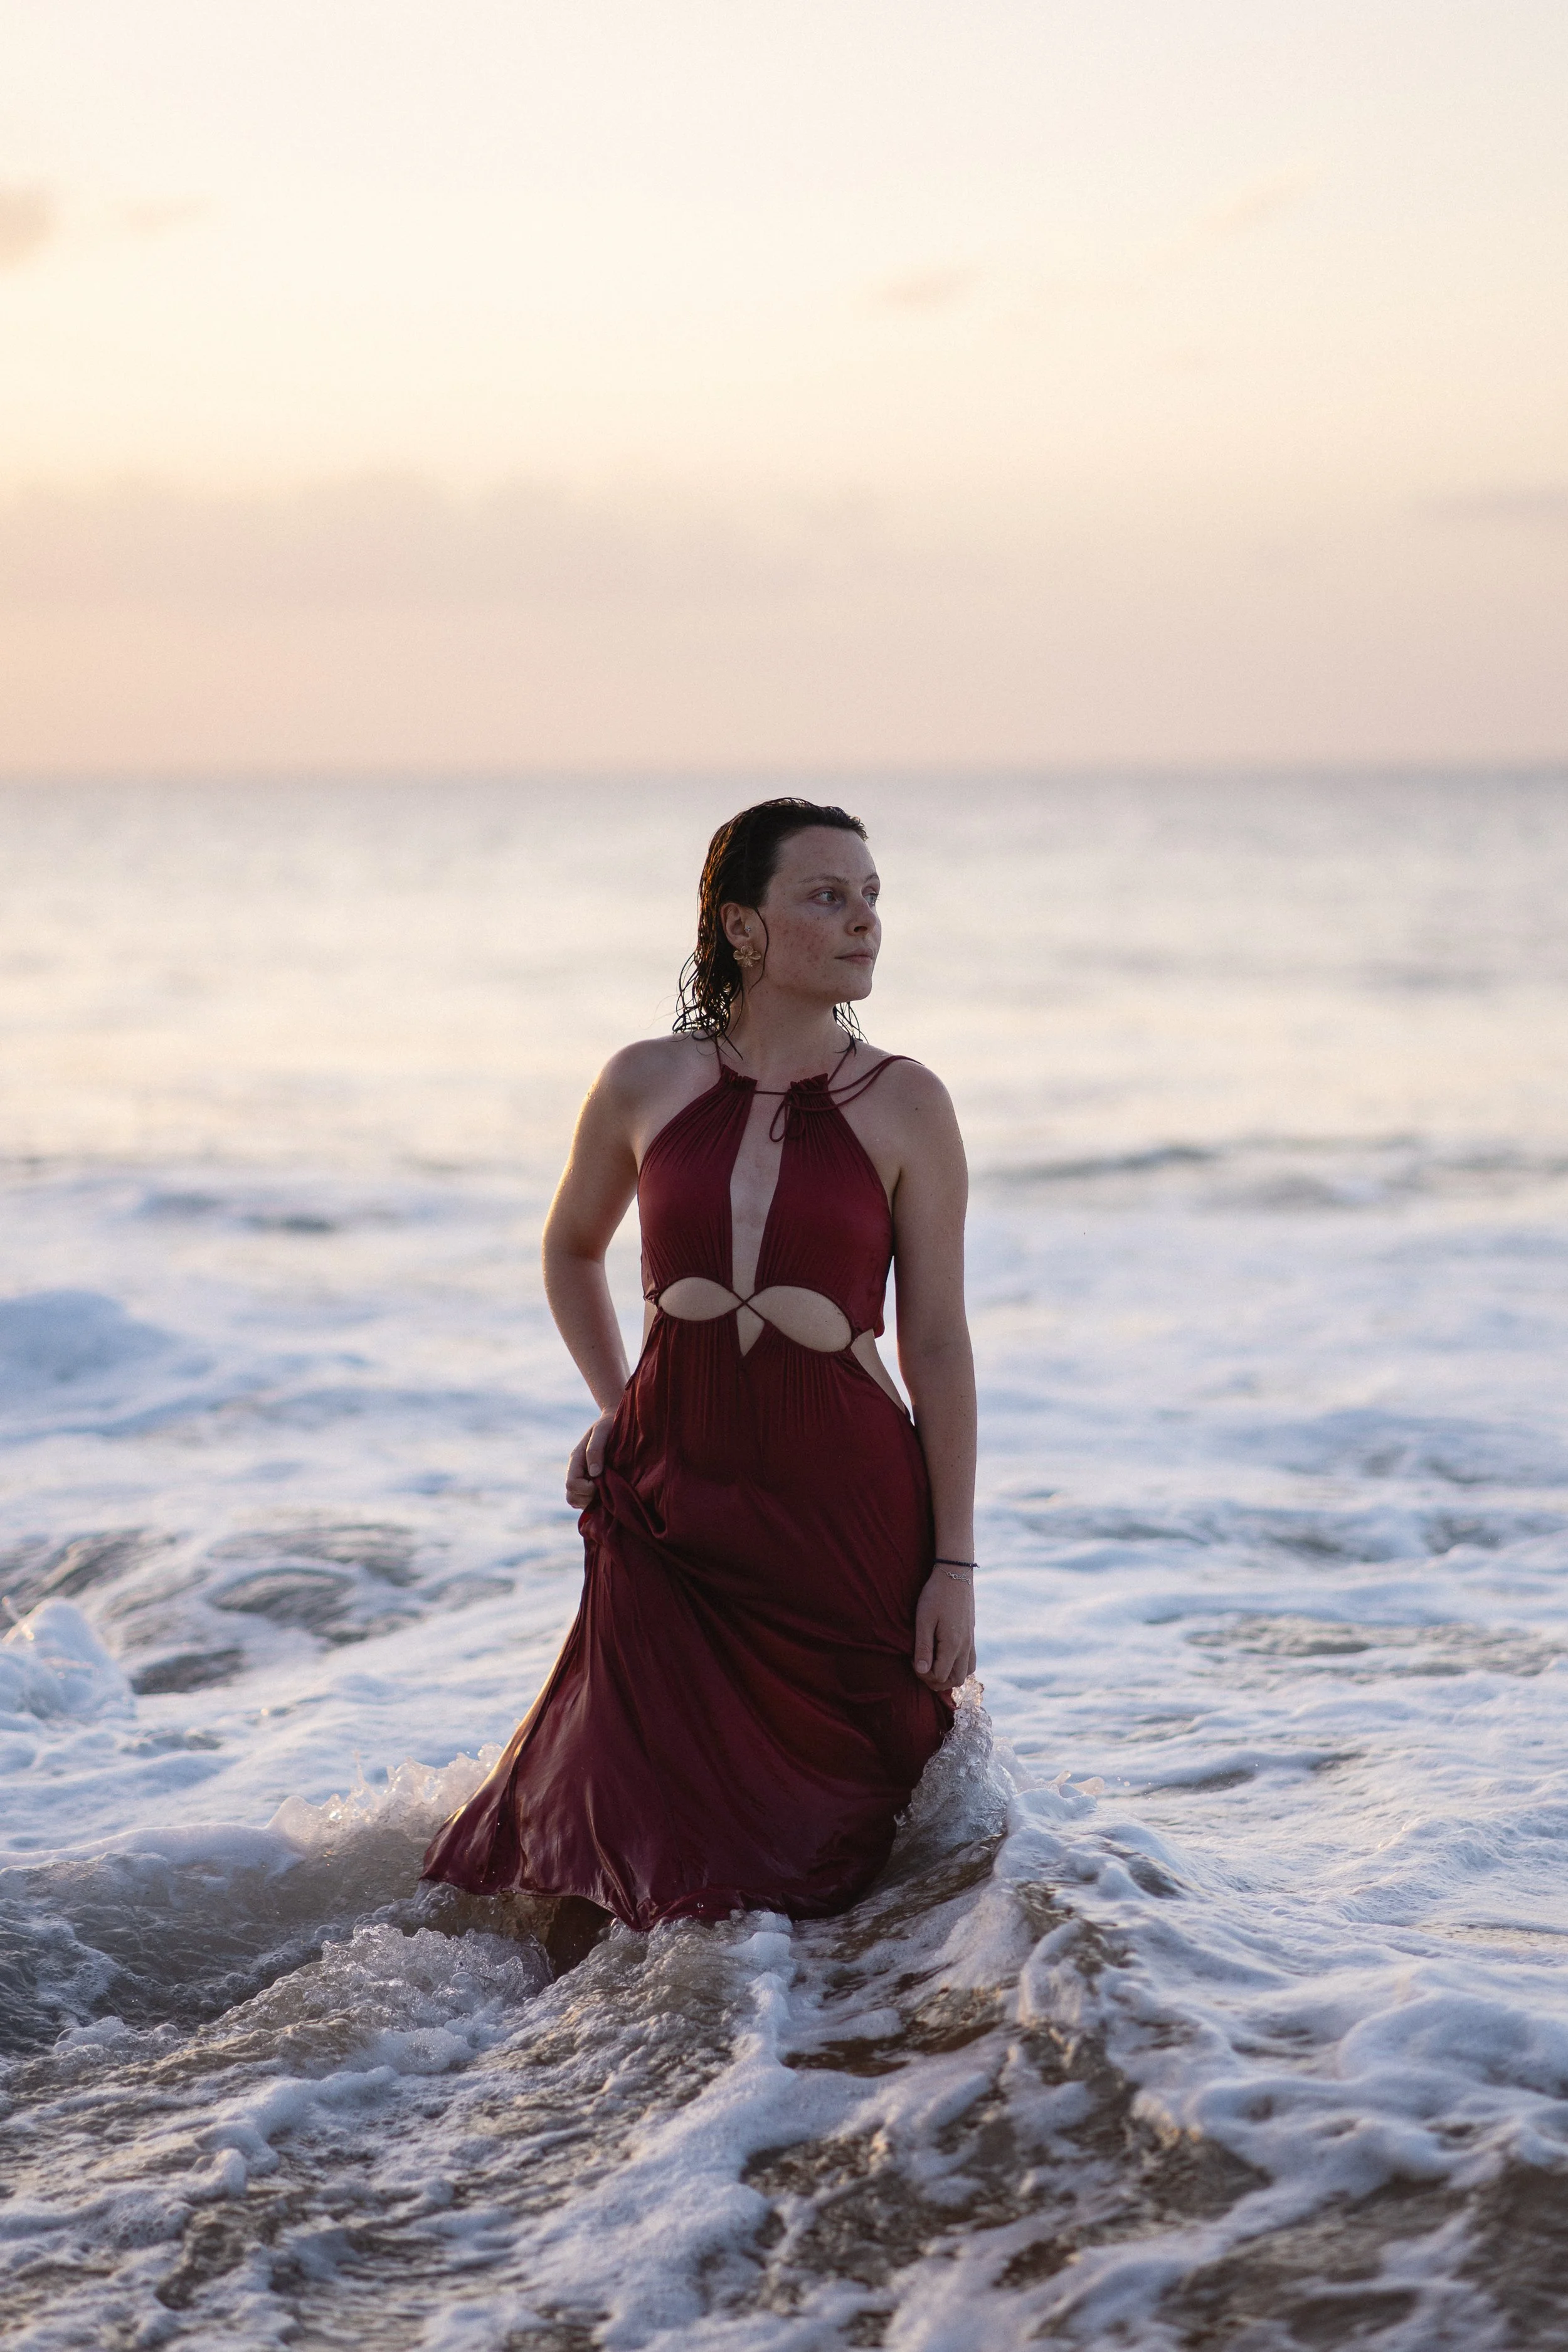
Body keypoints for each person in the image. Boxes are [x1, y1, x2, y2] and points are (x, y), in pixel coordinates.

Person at [421, 798, 977, 1969]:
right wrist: (618, 1404)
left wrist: (954, 1564)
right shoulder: (643, 1081)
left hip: (842, 1512)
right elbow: (571, 1247)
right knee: (617, 1815)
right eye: (828, 896)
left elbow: (937, 1344)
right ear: (741, 925)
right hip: (672, 1494)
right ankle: (570, 2081)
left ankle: (800, 2059)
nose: (865, 921)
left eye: (873, 896)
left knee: (845, 1848)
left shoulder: (909, 1102)